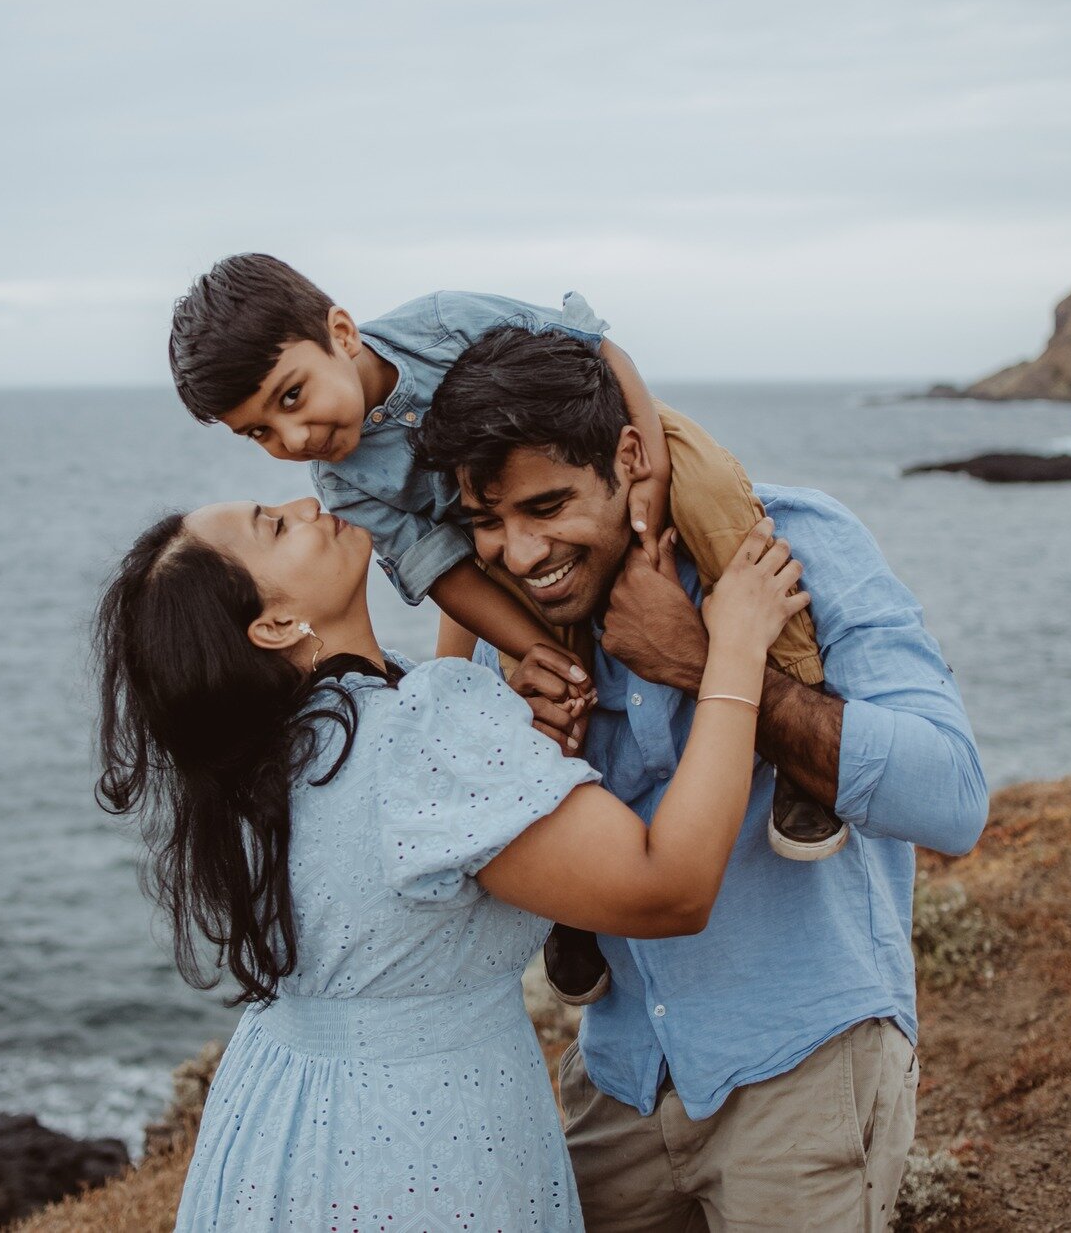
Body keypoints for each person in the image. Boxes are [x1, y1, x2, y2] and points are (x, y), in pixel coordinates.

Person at [94, 490, 807, 1231]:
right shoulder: (417, 736)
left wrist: (499, 714)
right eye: (275, 526)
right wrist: (734, 649)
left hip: (280, 1131)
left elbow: (409, 839)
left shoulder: (263, 758)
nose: (307, 500)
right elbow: (671, 887)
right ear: (273, 624)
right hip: (424, 1140)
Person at [414, 325, 989, 1232]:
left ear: (629, 456)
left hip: (806, 1070)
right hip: (618, 1079)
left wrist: (709, 660)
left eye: (548, 505)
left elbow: (953, 799)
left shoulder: (794, 542)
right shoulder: (518, 622)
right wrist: (520, 757)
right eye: (488, 523)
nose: (520, 553)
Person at [166, 253, 845, 1010]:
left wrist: (648, 464)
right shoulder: (343, 482)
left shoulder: (439, 323)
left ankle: (802, 745)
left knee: (720, 509)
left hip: (614, 442)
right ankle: (572, 895)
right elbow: (447, 573)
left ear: (342, 332)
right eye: (259, 431)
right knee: (549, 693)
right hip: (508, 540)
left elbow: (593, 347)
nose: (293, 438)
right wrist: (539, 646)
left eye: (292, 396)